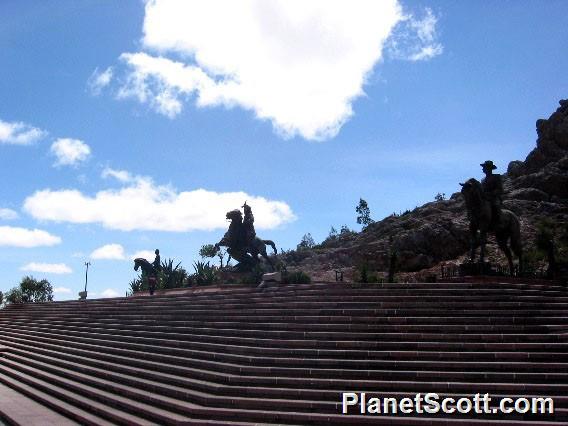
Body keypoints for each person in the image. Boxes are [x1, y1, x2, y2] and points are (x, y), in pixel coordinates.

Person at [480, 160, 504, 226]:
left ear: (489, 168)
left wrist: (491, 194)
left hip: (494, 198)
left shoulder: (496, 177)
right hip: (485, 199)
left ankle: (499, 223)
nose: (483, 168)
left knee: (496, 206)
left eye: (484, 167)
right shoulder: (482, 180)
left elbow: (500, 189)